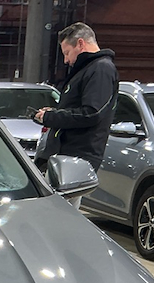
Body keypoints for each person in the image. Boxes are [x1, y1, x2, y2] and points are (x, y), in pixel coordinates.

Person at [33, 22, 119, 174]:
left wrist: (51, 117)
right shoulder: (88, 69)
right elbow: (80, 109)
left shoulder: (101, 69)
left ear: (80, 43)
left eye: (67, 53)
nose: (66, 60)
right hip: (66, 156)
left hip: (76, 157)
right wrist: (54, 112)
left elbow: (91, 113)